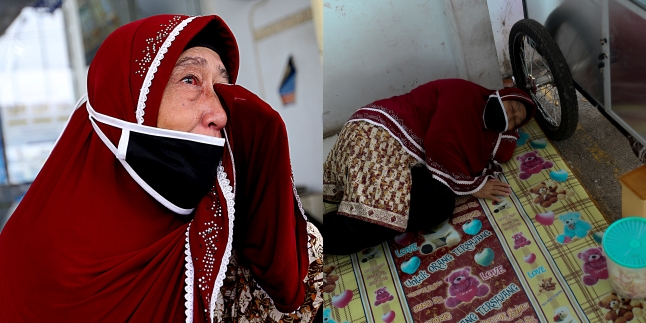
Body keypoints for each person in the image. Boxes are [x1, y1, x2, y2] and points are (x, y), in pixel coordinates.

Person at [0, 14, 322, 322]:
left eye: (222, 88)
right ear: (128, 104)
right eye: (190, 80)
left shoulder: (221, 227)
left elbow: (292, 288)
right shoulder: (28, 259)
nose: (220, 115)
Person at [323, 78, 536, 255]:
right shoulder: (465, 94)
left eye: (516, 121)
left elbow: (502, 152)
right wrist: (473, 186)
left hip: (411, 157)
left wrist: (508, 131)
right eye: (513, 108)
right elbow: (439, 143)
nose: (510, 117)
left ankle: (373, 216)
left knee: (439, 203)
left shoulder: (486, 132)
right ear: (504, 95)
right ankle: (312, 233)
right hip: (377, 134)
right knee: (373, 220)